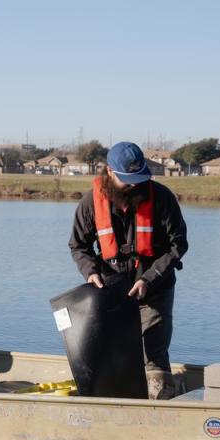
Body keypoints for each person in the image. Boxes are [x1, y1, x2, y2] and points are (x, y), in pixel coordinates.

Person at [68, 141, 188, 400]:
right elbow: (78, 246)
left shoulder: (162, 198)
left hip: (154, 287)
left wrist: (149, 278)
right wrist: (90, 272)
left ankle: (161, 403)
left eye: (138, 177)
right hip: (111, 291)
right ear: (110, 172)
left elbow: (178, 245)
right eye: (127, 179)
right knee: (111, 352)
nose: (134, 184)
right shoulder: (91, 203)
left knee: (153, 354)